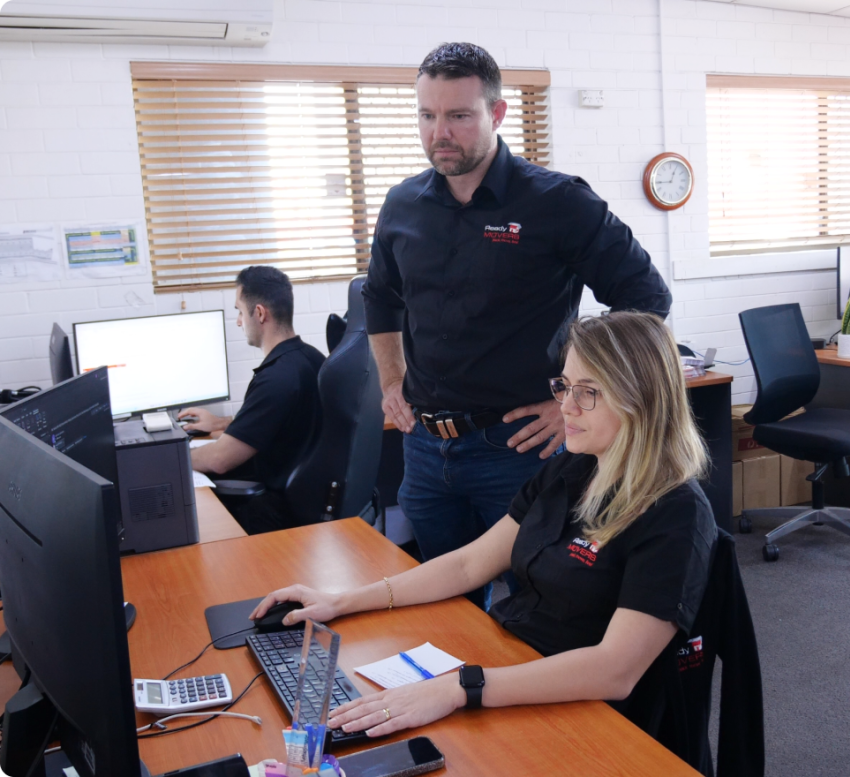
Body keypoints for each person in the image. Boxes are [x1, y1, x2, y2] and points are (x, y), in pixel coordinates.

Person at [252, 312, 716, 758]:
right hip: (511, 669)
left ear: (642, 399)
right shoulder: (574, 468)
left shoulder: (676, 512)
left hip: (585, 715)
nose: (566, 407)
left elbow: (615, 670)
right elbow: (469, 563)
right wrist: (341, 601)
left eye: (588, 392)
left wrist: (461, 688)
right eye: (564, 386)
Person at [363, 42, 672, 607]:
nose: (440, 133)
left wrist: (574, 402)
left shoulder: (557, 202)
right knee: (443, 599)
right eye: (427, 116)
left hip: (519, 449)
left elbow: (645, 300)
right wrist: (390, 383)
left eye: (458, 115)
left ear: (497, 113)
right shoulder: (402, 204)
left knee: (544, 603)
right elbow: (380, 299)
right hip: (427, 452)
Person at [181, 266, 326, 534]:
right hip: (306, 499)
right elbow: (285, 423)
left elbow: (219, 459)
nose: (238, 321)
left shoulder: (275, 378)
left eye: (239, 310)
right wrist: (222, 423)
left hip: (275, 512)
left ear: (259, 313)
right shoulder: (312, 358)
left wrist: (172, 457)